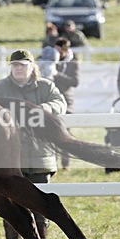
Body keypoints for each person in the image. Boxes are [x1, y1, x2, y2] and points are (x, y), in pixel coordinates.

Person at [0, 49, 66, 239]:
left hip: (41, 154)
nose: (18, 69)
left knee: (41, 201)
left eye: (23, 65)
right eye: (15, 65)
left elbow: (60, 102)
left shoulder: (46, 86)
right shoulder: (1, 87)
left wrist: (44, 110)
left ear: (32, 66)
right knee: (11, 202)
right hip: (12, 156)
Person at [52, 37, 80, 169]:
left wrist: (57, 75)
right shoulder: (50, 60)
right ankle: (54, 162)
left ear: (65, 50)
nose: (56, 53)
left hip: (66, 101)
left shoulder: (73, 63)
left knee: (66, 134)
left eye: (58, 50)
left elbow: (74, 81)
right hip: (51, 100)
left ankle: (65, 163)